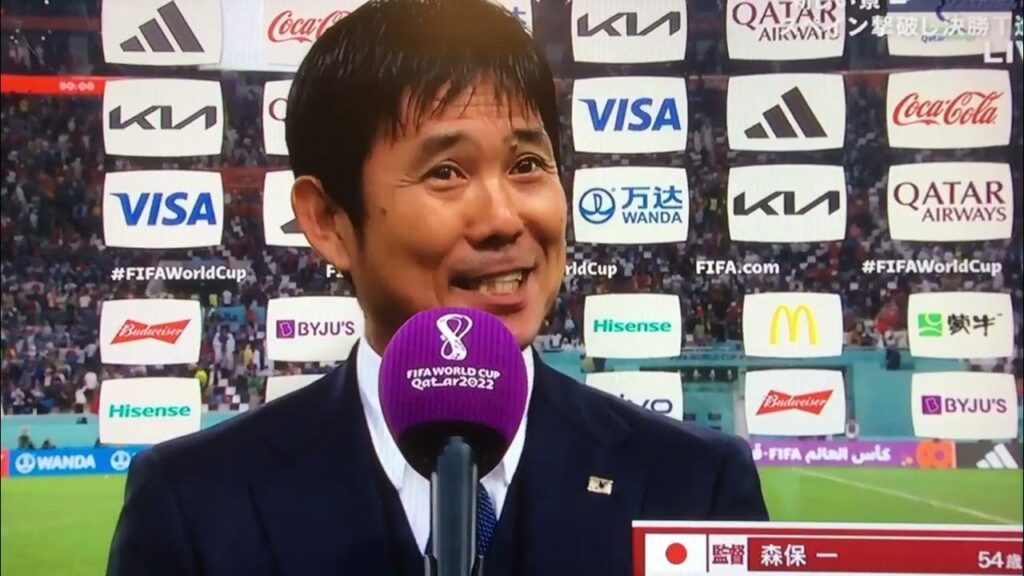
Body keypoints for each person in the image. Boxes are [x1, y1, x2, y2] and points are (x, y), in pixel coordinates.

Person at [106, 1, 768, 574]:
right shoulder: (193, 503)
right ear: (328, 219)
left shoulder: (695, 487)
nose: (504, 218)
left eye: (527, 164)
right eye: (447, 172)